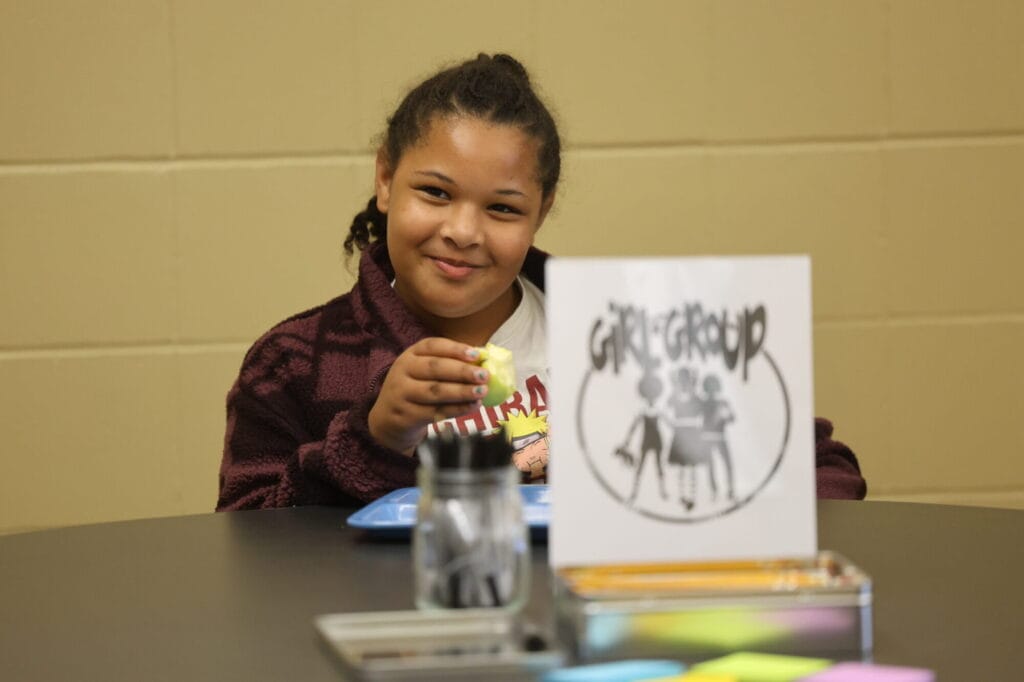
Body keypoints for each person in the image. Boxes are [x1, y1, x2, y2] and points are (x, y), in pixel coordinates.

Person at [216, 53, 866, 511]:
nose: (463, 231)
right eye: (435, 193)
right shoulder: (294, 362)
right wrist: (374, 439)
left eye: (501, 208)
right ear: (385, 178)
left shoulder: (624, 332)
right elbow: (246, 547)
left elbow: (820, 468)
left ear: (542, 210)